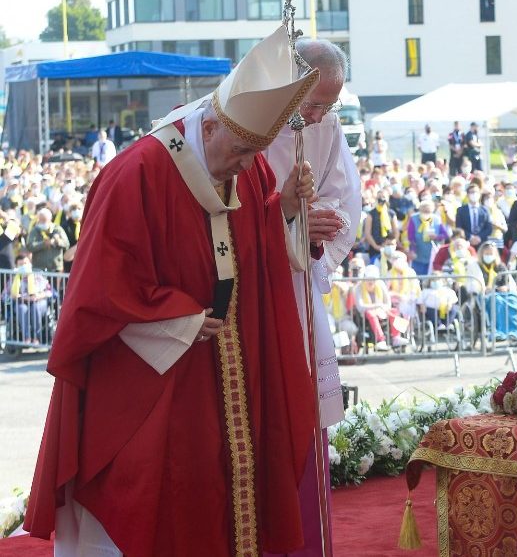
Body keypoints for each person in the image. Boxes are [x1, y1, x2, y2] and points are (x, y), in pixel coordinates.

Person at [25, 27, 327, 555]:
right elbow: (99, 290)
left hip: (225, 376)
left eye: (253, 154)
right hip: (149, 381)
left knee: (218, 492)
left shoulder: (249, 166)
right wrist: (179, 318)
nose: (245, 164)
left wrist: (286, 211)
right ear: (208, 126)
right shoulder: (136, 173)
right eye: (238, 151)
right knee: (150, 494)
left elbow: (251, 243)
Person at [262, 38, 362, 556]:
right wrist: (287, 219)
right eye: (313, 102)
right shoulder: (245, 116)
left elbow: (344, 198)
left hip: (298, 282)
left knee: (303, 414)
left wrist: (323, 226)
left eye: (329, 105)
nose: (319, 115)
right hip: (252, 288)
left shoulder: (326, 127)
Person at [3, 252, 52, 344]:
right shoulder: (13, 279)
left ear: (30, 264)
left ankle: (37, 337)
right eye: (20, 264)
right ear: (16, 266)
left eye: (25, 263)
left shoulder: (38, 276)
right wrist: (16, 297)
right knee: (22, 309)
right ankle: (27, 337)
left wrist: (38, 296)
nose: (23, 266)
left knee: (35, 308)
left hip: (39, 301)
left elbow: (50, 291)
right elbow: (4, 295)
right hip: (21, 302)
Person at [407, 199, 449, 275]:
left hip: (432, 255)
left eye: (428, 211)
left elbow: (445, 235)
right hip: (418, 255)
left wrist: (436, 237)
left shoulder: (437, 219)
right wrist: (412, 250)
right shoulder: (413, 219)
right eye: (424, 211)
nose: (426, 213)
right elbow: (411, 237)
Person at [25, 207, 69, 273]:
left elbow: (66, 244)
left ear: (50, 219)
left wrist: (57, 241)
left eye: (45, 220)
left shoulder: (57, 229)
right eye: (41, 220)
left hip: (55, 268)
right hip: (39, 268)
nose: (43, 222)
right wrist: (43, 244)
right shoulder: (35, 230)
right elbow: (30, 246)